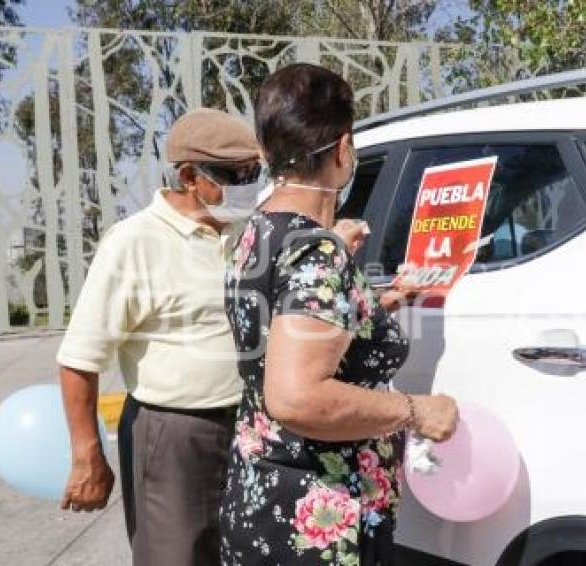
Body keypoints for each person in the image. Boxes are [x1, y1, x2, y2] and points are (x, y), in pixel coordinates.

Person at [219, 63, 459, 565]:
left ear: (268, 151)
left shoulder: (255, 233)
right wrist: (416, 411)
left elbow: (287, 321)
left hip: (259, 501)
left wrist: (386, 299)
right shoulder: (315, 251)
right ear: (344, 149)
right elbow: (297, 395)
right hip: (320, 523)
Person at [56, 108, 264, 565]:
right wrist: (87, 455)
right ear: (189, 175)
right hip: (174, 433)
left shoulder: (243, 233)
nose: (248, 183)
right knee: (177, 557)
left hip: (248, 427)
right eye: (234, 174)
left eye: (254, 171)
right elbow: (79, 359)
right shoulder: (134, 241)